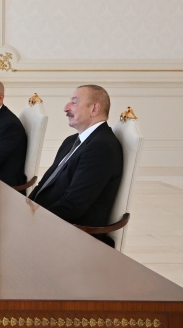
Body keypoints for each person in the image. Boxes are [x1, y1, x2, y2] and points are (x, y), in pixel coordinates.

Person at [29, 85, 124, 247]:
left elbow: (73, 206)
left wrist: (33, 220)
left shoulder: (101, 148)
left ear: (94, 109)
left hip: (72, 235)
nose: (66, 108)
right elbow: (44, 185)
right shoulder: (72, 141)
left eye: (74, 102)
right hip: (48, 221)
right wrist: (25, 208)